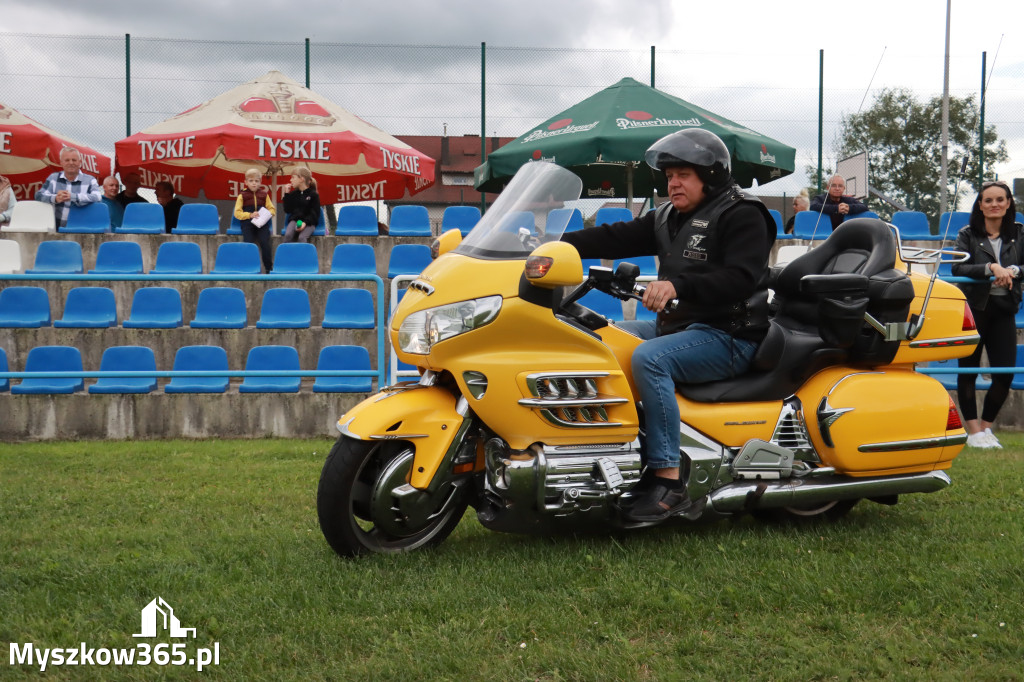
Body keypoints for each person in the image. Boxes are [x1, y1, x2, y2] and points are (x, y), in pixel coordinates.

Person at [561, 129, 775, 523]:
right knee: (599, 341)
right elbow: (612, 237)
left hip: (731, 334)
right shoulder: (668, 217)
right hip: (680, 328)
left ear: (709, 176)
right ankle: (619, 459)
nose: (672, 183)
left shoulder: (743, 213)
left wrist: (679, 285)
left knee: (650, 359)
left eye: (683, 175)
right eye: (669, 175)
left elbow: (742, 278)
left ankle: (669, 479)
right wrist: (553, 243)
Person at [951, 180, 1024, 449]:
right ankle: (973, 432)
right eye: (989, 200)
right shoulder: (967, 234)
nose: (995, 205)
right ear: (980, 205)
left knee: (1004, 372)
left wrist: (1012, 271)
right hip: (973, 310)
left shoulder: (1019, 232)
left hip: (1004, 309)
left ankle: (986, 429)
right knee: (968, 370)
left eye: (1000, 200)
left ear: (1008, 204)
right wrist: (991, 267)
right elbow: (958, 268)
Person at [34, 146, 102, 228]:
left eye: (74, 160)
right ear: (61, 163)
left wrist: (74, 197)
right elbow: (38, 195)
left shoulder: (90, 180)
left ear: (80, 162)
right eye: (67, 160)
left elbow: (98, 197)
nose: (71, 163)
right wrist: (55, 198)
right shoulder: (53, 178)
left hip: (82, 227)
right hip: (55, 226)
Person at [234, 168, 276, 272]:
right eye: (251, 181)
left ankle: (269, 269)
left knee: (265, 242)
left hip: (261, 223)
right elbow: (237, 213)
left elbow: (272, 209)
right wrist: (250, 215)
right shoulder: (242, 195)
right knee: (248, 243)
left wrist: (267, 214)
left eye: (256, 181)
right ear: (246, 182)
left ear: (260, 182)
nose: (254, 184)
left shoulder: (264, 195)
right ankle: (248, 268)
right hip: (247, 223)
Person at [281, 167, 321, 243]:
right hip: (295, 221)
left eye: (293, 177)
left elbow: (315, 214)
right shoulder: (293, 194)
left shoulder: (313, 195)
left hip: (309, 223)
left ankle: (302, 255)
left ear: (301, 179)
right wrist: (286, 194)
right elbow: (287, 210)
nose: (290, 180)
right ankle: (287, 254)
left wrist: (305, 223)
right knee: (288, 235)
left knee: (302, 237)